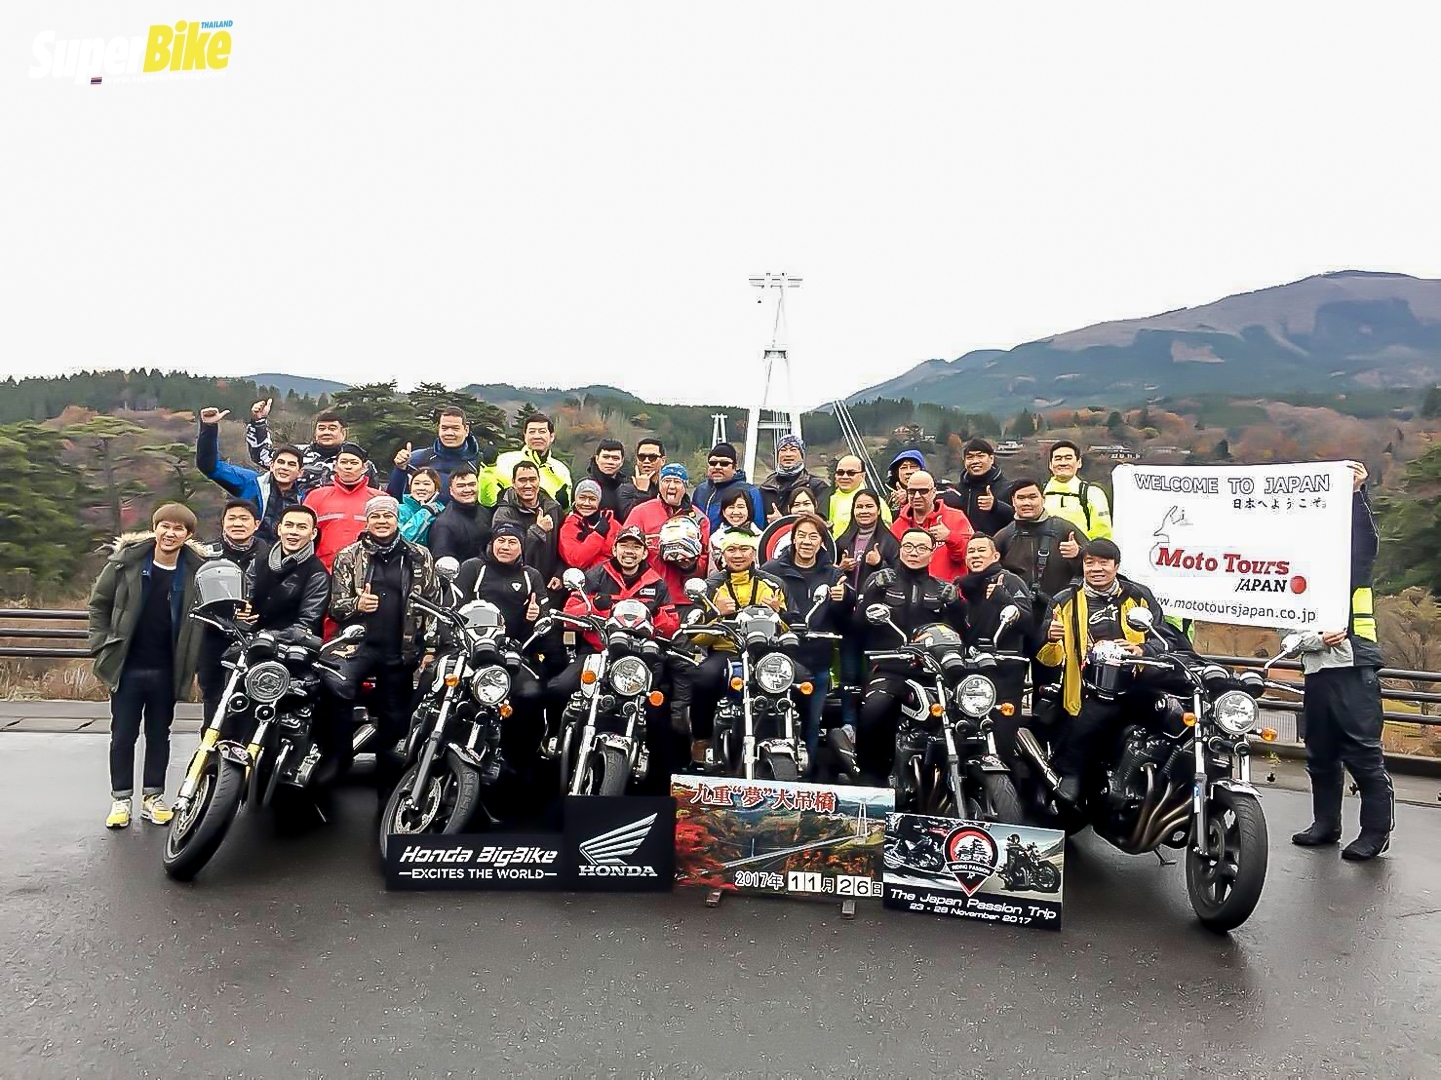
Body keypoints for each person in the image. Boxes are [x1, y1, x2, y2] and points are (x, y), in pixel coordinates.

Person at [1292, 461, 1394, 861]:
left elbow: (1364, 542)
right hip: (1317, 672)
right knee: (1320, 755)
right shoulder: (1295, 582)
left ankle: (1375, 832)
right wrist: (1314, 639)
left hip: (1354, 665)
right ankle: (1325, 824)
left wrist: (1355, 495)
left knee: (1364, 755)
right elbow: (1288, 638)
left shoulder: (1351, 570)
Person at [87, 503, 205, 830]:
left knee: (158, 735)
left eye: (179, 528)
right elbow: (99, 604)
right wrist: (101, 644)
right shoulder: (126, 562)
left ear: (188, 535)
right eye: (165, 526)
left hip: (168, 668)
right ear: (155, 528)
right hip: (128, 665)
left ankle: (153, 797)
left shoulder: (195, 571)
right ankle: (121, 799)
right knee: (123, 735)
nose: (170, 533)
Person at [1036, 538, 1176, 804]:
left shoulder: (1138, 596)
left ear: (1116, 566)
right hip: (1085, 688)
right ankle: (1070, 773)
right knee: (1094, 716)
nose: (1096, 569)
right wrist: (1050, 638)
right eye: (1090, 563)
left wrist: (1142, 649)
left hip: (1138, 683)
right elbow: (1048, 659)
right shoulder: (1064, 600)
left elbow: (1165, 638)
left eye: (1104, 562)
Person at [327, 496, 440, 788]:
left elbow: (433, 605)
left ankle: (388, 776)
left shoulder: (419, 555)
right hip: (357, 646)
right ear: (367, 521)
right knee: (337, 688)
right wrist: (357, 604)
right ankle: (339, 757)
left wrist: (430, 648)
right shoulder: (348, 556)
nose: (381, 521)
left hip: (401, 648)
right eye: (375, 516)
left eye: (387, 516)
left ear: (396, 519)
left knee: (395, 712)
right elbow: (336, 608)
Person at [547, 525, 681, 766]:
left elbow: (671, 625)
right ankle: (554, 738)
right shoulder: (595, 575)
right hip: (598, 651)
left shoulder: (657, 583)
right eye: (624, 545)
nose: (629, 551)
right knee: (559, 688)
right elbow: (569, 614)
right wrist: (596, 606)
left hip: (641, 657)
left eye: (636, 546)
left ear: (644, 552)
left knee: (657, 710)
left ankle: (655, 770)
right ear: (615, 548)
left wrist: (651, 617)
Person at [853, 527, 965, 785]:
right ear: (900, 549)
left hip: (931, 673)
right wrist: (873, 592)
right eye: (909, 547)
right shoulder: (882, 581)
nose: (914, 552)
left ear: (932, 553)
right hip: (889, 667)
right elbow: (857, 625)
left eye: (922, 548)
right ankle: (869, 775)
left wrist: (957, 606)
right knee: (874, 710)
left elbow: (960, 632)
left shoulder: (942, 588)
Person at [455, 522, 556, 770]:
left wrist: (534, 618)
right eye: (501, 540)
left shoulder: (531, 576)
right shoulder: (473, 568)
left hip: (511, 653)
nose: (506, 546)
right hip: (469, 650)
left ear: (521, 547)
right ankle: (417, 740)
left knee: (531, 694)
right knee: (433, 680)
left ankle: (516, 760)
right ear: (492, 543)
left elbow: (546, 621)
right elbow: (451, 609)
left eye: (513, 542)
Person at [689, 532, 787, 766]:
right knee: (703, 678)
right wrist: (716, 614)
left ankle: (795, 739)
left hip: (764, 652)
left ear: (753, 553)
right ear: (722, 555)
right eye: (731, 550)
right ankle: (701, 738)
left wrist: (778, 613)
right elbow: (697, 637)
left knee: (802, 679)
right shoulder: (711, 586)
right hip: (726, 651)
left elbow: (789, 627)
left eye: (744, 549)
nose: (738, 555)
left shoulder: (773, 584)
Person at [761, 513, 847, 770]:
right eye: (801, 535)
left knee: (811, 722)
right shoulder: (772, 570)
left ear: (822, 542)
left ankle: (808, 777)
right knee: (770, 718)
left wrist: (844, 599)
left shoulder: (833, 575)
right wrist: (774, 610)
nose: (807, 541)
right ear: (793, 538)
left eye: (813, 536)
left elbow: (843, 621)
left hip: (817, 659)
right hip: (779, 661)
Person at [957, 534, 1033, 772]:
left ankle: (1007, 787)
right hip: (969, 670)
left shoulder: (1009, 581)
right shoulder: (963, 587)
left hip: (1004, 670)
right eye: (971, 551)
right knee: (963, 734)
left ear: (996, 555)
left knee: (1001, 738)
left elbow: (1028, 623)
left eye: (981, 550)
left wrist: (1003, 599)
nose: (975, 555)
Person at [196, 499, 270, 724]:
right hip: (213, 635)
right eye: (232, 518)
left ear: (256, 524)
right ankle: (210, 744)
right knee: (213, 695)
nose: (238, 523)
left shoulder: (270, 556)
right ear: (223, 522)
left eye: (244, 518)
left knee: (253, 694)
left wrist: (258, 613)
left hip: (256, 635)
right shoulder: (205, 554)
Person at [833, 489, 899, 731]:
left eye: (869, 506)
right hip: (848, 619)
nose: (864, 511)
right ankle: (849, 724)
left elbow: (898, 576)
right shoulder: (843, 540)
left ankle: (872, 725)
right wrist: (840, 567)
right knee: (849, 675)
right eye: (859, 507)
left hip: (877, 622)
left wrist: (879, 564)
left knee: (875, 676)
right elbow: (830, 575)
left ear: (878, 510)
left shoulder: (890, 541)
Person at [195, 406, 304, 540]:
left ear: (300, 472)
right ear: (271, 465)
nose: (284, 468)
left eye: (291, 464)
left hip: (285, 550)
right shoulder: (250, 482)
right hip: (249, 549)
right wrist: (209, 428)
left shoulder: (305, 497)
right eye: (280, 462)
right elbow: (210, 467)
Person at [622, 463, 713, 603]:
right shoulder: (640, 512)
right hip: (645, 595)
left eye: (677, 482)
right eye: (666, 481)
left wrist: (690, 565)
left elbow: (705, 562)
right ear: (659, 485)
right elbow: (623, 548)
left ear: (685, 486)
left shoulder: (699, 519)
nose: (671, 486)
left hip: (682, 599)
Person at [238, 504, 330, 638]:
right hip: (249, 638)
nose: (294, 532)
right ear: (279, 529)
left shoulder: (317, 575)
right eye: (289, 525)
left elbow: (307, 623)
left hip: (293, 645)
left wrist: (267, 636)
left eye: (302, 527)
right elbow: (244, 597)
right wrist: (240, 613)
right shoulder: (259, 561)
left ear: (313, 533)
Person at [245, 398, 376, 489]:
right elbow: (262, 456)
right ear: (315, 432)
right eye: (321, 428)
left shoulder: (358, 463)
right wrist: (259, 422)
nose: (326, 432)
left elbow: (375, 498)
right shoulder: (296, 453)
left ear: (344, 433)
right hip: (297, 514)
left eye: (332, 428)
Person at [386, 405, 493, 505]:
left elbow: (490, 503)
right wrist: (400, 469)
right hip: (422, 518)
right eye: (444, 428)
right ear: (438, 429)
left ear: (466, 430)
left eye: (455, 428)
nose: (449, 433)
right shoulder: (416, 459)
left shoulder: (481, 462)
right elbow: (393, 501)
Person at [302, 443, 384, 570]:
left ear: (364, 467)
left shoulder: (380, 499)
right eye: (344, 462)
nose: (348, 467)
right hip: (323, 571)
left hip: (368, 571)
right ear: (335, 466)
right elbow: (302, 534)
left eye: (354, 463)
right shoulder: (315, 497)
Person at [490, 459, 564, 589]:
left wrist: (560, 573)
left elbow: (564, 547)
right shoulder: (504, 513)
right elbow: (506, 553)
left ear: (539, 481)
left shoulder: (553, 508)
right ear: (513, 483)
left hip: (550, 584)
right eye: (522, 480)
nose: (528, 485)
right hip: (517, 585)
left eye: (532, 479)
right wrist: (538, 530)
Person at [890, 470, 973, 580]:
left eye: (923, 491)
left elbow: (970, 556)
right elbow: (892, 562)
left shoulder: (956, 517)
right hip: (911, 588)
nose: (917, 496)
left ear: (934, 492)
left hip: (949, 588)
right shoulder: (898, 525)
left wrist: (950, 537)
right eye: (912, 492)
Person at [496, 413, 573, 510]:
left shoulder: (561, 470)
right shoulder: (504, 461)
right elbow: (487, 501)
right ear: (525, 436)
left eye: (542, 431)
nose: (537, 436)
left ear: (552, 436)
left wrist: (564, 507)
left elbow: (567, 510)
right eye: (532, 432)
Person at [1044, 440, 1112, 540]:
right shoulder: (1039, 494)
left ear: (1079, 463)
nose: (1063, 463)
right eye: (1058, 459)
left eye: (1068, 458)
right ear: (1050, 465)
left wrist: (1083, 548)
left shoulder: (1093, 494)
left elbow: (1103, 534)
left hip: (1082, 549)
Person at [692, 442, 766, 531]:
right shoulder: (700, 490)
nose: (717, 467)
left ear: (734, 467)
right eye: (713, 463)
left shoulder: (750, 491)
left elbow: (758, 526)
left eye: (724, 464)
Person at [426, 465, 491, 565]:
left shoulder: (485, 512)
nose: (467, 490)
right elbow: (443, 566)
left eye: (472, 484)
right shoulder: (443, 524)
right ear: (451, 490)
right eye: (461, 486)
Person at [758, 434, 831, 520]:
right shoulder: (766, 488)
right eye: (783, 450)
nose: (788, 454)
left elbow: (821, 520)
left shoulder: (817, 486)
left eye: (793, 450)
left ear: (802, 455)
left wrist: (781, 522)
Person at [955, 439, 1014, 536]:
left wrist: (996, 506)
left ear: (991, 459)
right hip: (962, 544)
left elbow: (1020, 519)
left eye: (980, 456)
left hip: (997, 544)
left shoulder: (1009, 488)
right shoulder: (956, 491)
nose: (975, 461)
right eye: (970, 457)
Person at [558, 478, 617, 572]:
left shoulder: (610, 521)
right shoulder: (569, 526)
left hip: (613, 576)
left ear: (599, 501)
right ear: (575, 499)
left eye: (592, 499)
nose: (586, 503)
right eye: (582, 498)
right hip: (584, 578)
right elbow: (576, 560)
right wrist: (598, 534)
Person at [827, 454, 891, 537]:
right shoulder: (826, 498)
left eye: (851, 473)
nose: (844, 476)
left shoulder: (874, 502)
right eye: (840, 473)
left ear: (862, 476)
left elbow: (884, 536)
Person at [708, 488, 764, 573]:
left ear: (749, 510)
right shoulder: (715, 539)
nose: (736, 512)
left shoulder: (761, 538)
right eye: (731, 507)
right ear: (723, 512)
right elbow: (712, 572)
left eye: (741, 507)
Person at [617, 437, 666, 518]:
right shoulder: (625, 489)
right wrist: (642, 493)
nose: (646, 461)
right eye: (642, 457)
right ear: (637, 460)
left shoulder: (667, 488)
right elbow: (628, 519)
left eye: (652, 458)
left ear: (663, 460)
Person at [397, 466, 444, 545]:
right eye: (416, 483)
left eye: (426, 484)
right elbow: (402, 540)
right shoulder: (399, 510)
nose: (421, 488)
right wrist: (425, 512)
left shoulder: (442, 511)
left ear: (436, 488)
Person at [584, 440, 631, 517]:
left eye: (615, 458)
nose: (610, 462)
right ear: (597, 459)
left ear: (622, 461)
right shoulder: (585, 486)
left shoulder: (628, 487)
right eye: (605, 457)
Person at [886, 449, 928, 513]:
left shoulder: (935, 494)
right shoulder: (886, 498)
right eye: (904, 467)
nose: (909, 472)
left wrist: (908, 499)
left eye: (913, 466)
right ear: (897, 473)